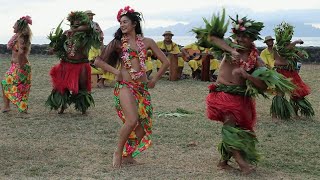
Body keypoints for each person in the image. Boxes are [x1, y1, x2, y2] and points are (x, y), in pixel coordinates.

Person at [94, 6, 169, 168]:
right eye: (120, 22)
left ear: (134, 24)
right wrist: (116, 72)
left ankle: (128, 156)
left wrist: (155, 78)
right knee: (132, 120)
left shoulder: (147, 42)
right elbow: (98, 61)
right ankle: (118, 153)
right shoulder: (118, 43)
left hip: (142, 88)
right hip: (125, 86)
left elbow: (166, 62)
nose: (122, 25)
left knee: (142, 127)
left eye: (125, 22)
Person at [205, 15, 266, 174]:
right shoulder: (229, 47)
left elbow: (264, 86)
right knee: (230, 127)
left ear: (252, 38)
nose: (239, 39)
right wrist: (231, 50)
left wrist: (247, 76)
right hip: (222, 95)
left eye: (244, 36)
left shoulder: (257, 60)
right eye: (238, 35)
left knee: (240, 130)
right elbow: (211, 37)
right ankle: (243, 165)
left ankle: (223, 162)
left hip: (241, 98)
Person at [46, 11, 100, 114]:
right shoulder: (67, 33)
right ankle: (62, 106)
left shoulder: (87, 34)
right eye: (73, 22)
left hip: (81, 65)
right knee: (62, 86)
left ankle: (83, 107)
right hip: (67, 64)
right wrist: (53, 50)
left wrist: (74, 29)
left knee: (82, 87)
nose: (75, 24)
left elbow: (90, 27)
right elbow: (59, 45)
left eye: (78, 22)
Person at [272, 22, 314, 119]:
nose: (288, 37)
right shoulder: (279, 47)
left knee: (297, 93)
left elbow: (300, 55)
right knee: (280, 94)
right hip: (281, 72)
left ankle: (295, 114)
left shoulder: (292, 48)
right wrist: (296, 42)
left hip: (292, 73)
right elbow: (283, 52)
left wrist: (301, 54)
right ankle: (276, 115)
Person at [1, 16, 32, 113]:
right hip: (17, 65)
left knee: (9, 84)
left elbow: (21, 52)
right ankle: (12, 107)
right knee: (18, 86)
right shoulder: (18, 37)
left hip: (20, 65)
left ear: (19, 27)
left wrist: (20, 64)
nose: (13, 27)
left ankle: (11, 106)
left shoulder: (21, 38)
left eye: (14, 26)